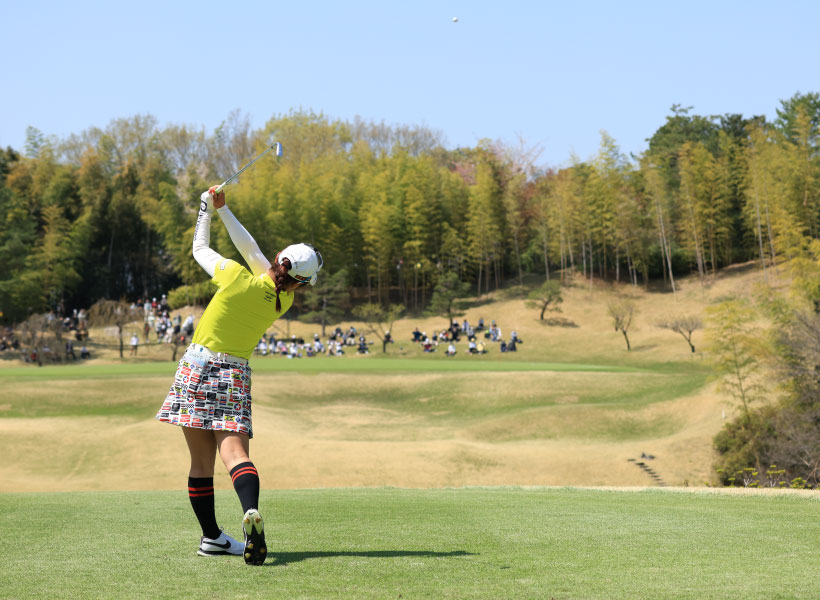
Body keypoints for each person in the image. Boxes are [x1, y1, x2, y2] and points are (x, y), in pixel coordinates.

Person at [155, 186, 322, 566]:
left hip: (196, 368)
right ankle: (249, 510)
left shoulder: (232, 276)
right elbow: (253, 254)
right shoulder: (283, 300)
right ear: (300, 282)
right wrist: (224, 210)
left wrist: (207, 208)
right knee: (235, 454)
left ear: (278, 260)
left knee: (200, 464)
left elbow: (202, 249)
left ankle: (211, 537)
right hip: (233, 374)